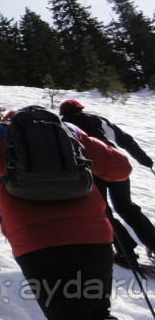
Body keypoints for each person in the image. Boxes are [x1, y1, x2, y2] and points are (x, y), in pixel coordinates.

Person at [0, 107, 132, 320]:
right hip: (93, 237)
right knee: (98, 312)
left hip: (35, 242)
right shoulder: (70, 131)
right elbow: (122, 168)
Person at [60, 98, 155, 267]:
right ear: (81, 109)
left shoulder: (64, 127)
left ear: (63, 114)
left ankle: (126, 252)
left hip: (93, 169)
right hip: (117, 163)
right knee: (126, 207)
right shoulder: (97, 119)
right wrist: (144, 160)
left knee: (103, 211)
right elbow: (125, 140)